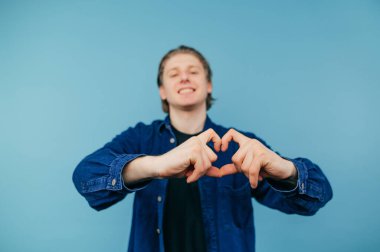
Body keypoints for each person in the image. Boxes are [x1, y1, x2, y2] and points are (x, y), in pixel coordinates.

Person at [72, 45, 333, 252]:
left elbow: (315, 198)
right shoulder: (141, 137)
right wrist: (155, 165)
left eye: (194, 71)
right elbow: (85, 178)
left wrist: (285, 170)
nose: (184, 76)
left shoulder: (241, 144)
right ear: (163, 91)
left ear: (209, 85)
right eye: (173, 73)